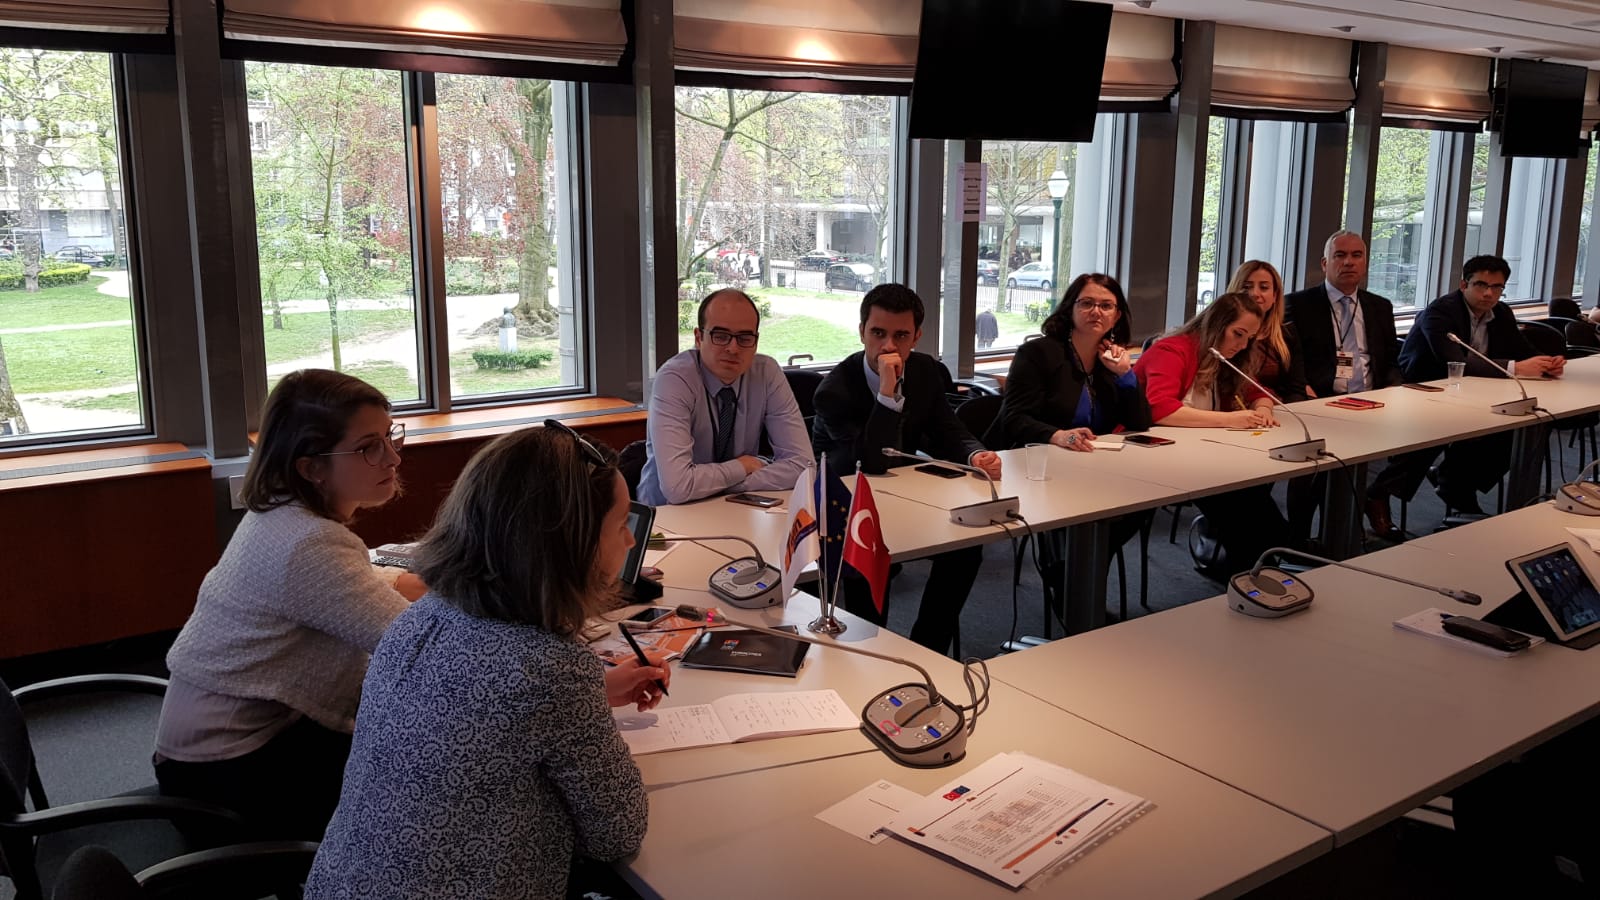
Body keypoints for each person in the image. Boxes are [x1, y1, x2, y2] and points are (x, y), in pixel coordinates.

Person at [305, 424, 668, 899]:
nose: (630, 542)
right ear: (570, 544)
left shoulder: (420, 620)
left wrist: (593, 696)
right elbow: (617, 832)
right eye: (620, 525)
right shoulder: (553, 670)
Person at [154, 369, 423, 840]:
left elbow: (348, 598)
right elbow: (417, 646)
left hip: (209, 754)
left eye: (390, 436)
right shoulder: (307, 544)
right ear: (311, 468)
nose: (393, 457)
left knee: (406, 736)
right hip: (223, 782)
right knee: (431, 766)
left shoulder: (280, 512)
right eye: (368, 447)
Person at [811, 283, 1002, 655]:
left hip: (904, 496)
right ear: (861, 331)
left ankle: (927, 648)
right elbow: (870, 462)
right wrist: (887, 393)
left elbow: (947, 429)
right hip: (848, 507)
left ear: (916, 337)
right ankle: (871, 657)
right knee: (869, 563)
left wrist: (976, 455)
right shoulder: (835, 390)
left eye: (900, 336)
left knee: (966, 547)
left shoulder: (925, 370)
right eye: (877, 333)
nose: (887, 346)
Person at [987, 273, 1153, 615]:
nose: (1096, 311)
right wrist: (1057, 434)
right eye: (1087, 303)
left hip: (1090, 466)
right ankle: (1076, 584)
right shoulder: (1039, 354)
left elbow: (1140, 423)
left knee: (1145, 498)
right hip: (1035, 464)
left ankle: (1077, 570)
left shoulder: (1111, 360)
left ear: (1117, 315)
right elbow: (1013, 418)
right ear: (1070, 309)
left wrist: (1125, 375)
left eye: (1106, 305)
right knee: (1085, 514)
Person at [1383, 255, 1564, 516]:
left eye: (1497, 287)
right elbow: (1453, 361)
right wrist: (1515, 368)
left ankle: (1456, 480)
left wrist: (1547, 363)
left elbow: (1522, 350)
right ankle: (1382, 492)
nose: (1489, 293)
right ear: (1463, 285)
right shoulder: (1440, 312)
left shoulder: (1501, 313)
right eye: (1481, 285)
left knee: (1524, 424)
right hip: (1427, 388)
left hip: (1479, 391)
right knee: (1439, 430)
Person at [1135, 292, 1288, 574]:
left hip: (1203, 455)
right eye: (1238, 334)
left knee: (1252, 500)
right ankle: (1257, 570)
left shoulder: (1230, 357)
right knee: (1243, 505)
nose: (1242, 345)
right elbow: (1160, 410)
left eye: (1250, 338)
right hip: (1157, 456)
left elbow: (1259, 392)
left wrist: (1263, 408)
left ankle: (1262, 566)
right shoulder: (1172, 350)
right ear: (1217, 324)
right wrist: (1230, 419)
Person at [639, 288, 813, 505]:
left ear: (756, 341)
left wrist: (724, 485)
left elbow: (803, 466)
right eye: (720, 336)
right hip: (667, 515)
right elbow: (678, 487)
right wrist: (742, 467)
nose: (733, 348)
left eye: (744, 338)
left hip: (737, 506)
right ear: (698, 338)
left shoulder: (766, 373)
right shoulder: (674, 379)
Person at [1283, 231, 1405, 540]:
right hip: (1319, 403)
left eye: (1356, 255)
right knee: (1312, 477)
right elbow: (1289, 358)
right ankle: (1298, 539)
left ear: (1365, 263)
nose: (1349, 262)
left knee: (1411, 447)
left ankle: (1346, 533)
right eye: (1340, 255)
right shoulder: (1299, 304)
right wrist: (1303, 389)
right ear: (1325, 263)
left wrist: (1393, 390)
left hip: (1371, 403)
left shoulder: (1380, 306)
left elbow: (1390, 359)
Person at [1228, 260, 1308, 403]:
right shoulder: (1222, 332)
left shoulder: (1287, 333)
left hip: (1277, 410)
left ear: (1275, 296)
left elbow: (1296, 390)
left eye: (1264, 287)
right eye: (1246, 287)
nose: (1255, 294)